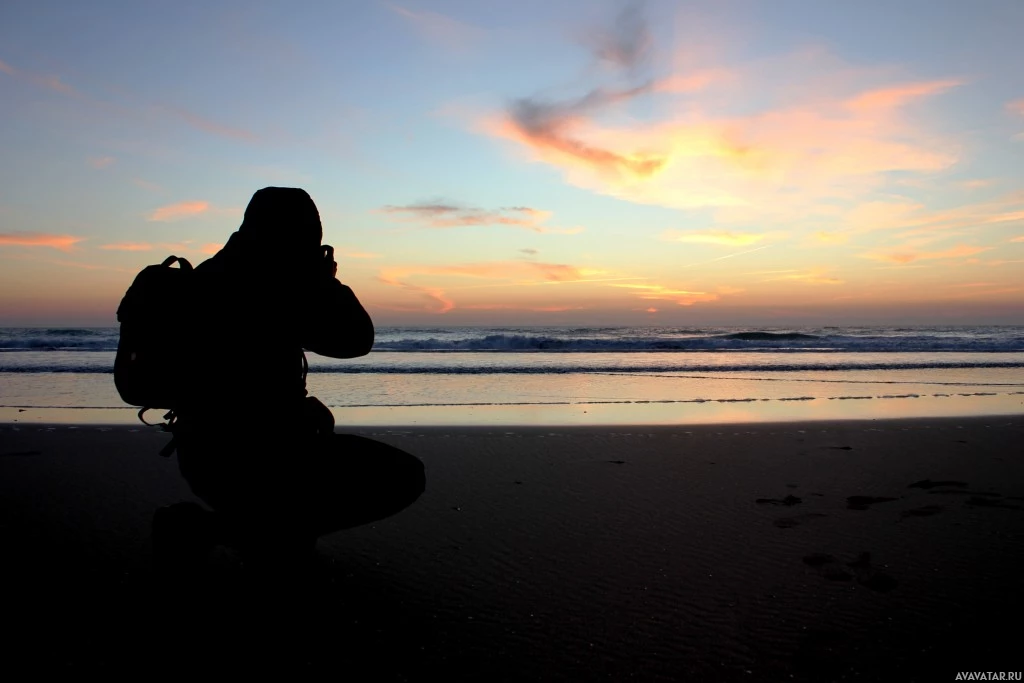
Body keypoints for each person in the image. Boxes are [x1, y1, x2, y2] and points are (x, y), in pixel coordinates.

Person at [157, 187, 424, 564]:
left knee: (289, 530)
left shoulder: (211, 274)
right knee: (403, 476)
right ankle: (213, 529)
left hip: (204, 457)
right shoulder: (269, 285)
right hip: (256, 461)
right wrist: (324, 280)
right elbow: (355, 339)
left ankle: (260, 527)